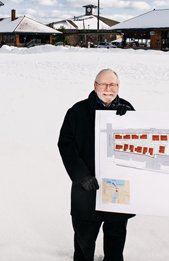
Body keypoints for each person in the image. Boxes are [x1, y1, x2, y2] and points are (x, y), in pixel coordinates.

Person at [58, 69, 135, 261]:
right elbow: (65, 144)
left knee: (116, 238)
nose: (108, 89)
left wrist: (129, 120)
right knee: (84, 240)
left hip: (117, 186)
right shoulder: (77, 111)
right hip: (86, 186)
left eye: (113, 85)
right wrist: (81, 175)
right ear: (95, 86)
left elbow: (138, 145)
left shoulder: (127, 110)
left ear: (118, 87)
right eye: (103, 84)